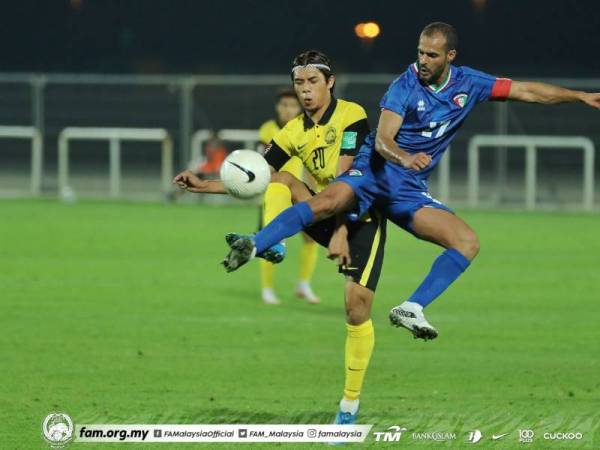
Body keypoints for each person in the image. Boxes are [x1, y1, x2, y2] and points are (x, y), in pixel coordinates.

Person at [224, 22, 600, 342]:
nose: (423, 61)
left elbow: (528, 91)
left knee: (466, 242)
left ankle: (411, 307)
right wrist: (404, 157)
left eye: (432, 55)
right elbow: (385, 139)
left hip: (407, 189)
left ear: (450, 56)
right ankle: (253, 244)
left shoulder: (470, 84)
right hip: (374, 171)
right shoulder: (403, 87)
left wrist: (580, 97)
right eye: (420, 52)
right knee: (327, 200)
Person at [174, 50, 380, 425]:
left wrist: (342, 231)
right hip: (319, 211)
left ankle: (349, 405)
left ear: (330, 82)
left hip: (358, 219)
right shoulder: (292, 131)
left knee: (356, 309)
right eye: (299, 83)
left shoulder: (353, 115)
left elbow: (347, 182)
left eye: (312, 82)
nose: (305, 91)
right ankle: (269, 242)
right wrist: (204, 185)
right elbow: (255, 176)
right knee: (281, 178)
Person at [258, 89, 320, 305]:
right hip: (276, 192)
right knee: (271, 240)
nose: (287, 109)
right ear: (278, 107)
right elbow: (265, 162)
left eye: (292, 105)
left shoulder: (306, 130)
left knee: (311, 238)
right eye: (284, 105)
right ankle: (267, 289)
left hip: (300, 191)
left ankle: (303, 284)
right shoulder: (269, 129)